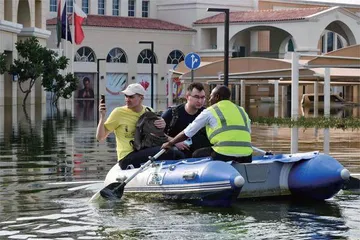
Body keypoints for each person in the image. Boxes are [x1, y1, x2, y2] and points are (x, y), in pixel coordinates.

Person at [97, 83, 184, 170]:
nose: (127, 99)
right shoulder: (118, 113)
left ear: (141, 98)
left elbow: (159, 136)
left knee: (176, 150)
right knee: (171, 152)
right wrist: (102, 117)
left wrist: (174, 141)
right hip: (127, 157)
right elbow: (100, 137)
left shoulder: (148, 111)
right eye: (126, 96)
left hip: (145, 151)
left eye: (131, 97)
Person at [161, 85, 253, 163]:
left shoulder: (210, 111)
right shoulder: (241, 110)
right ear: (187, 97)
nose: (208, 100)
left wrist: (170, 143)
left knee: (196, 154)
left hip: (224, 155)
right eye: (197, 97)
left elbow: (188, 132)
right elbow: (248, 131)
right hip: (247, 155)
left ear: (217, 97)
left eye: (209, 96)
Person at [162, 82, 211, 157]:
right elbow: (156, 132)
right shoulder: (173, 113)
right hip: (177, 161)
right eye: (196, 97)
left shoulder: (206, 114)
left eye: (202, 97)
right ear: (187, 96)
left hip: (201, 159)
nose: (200, 101)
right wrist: (174, 142)